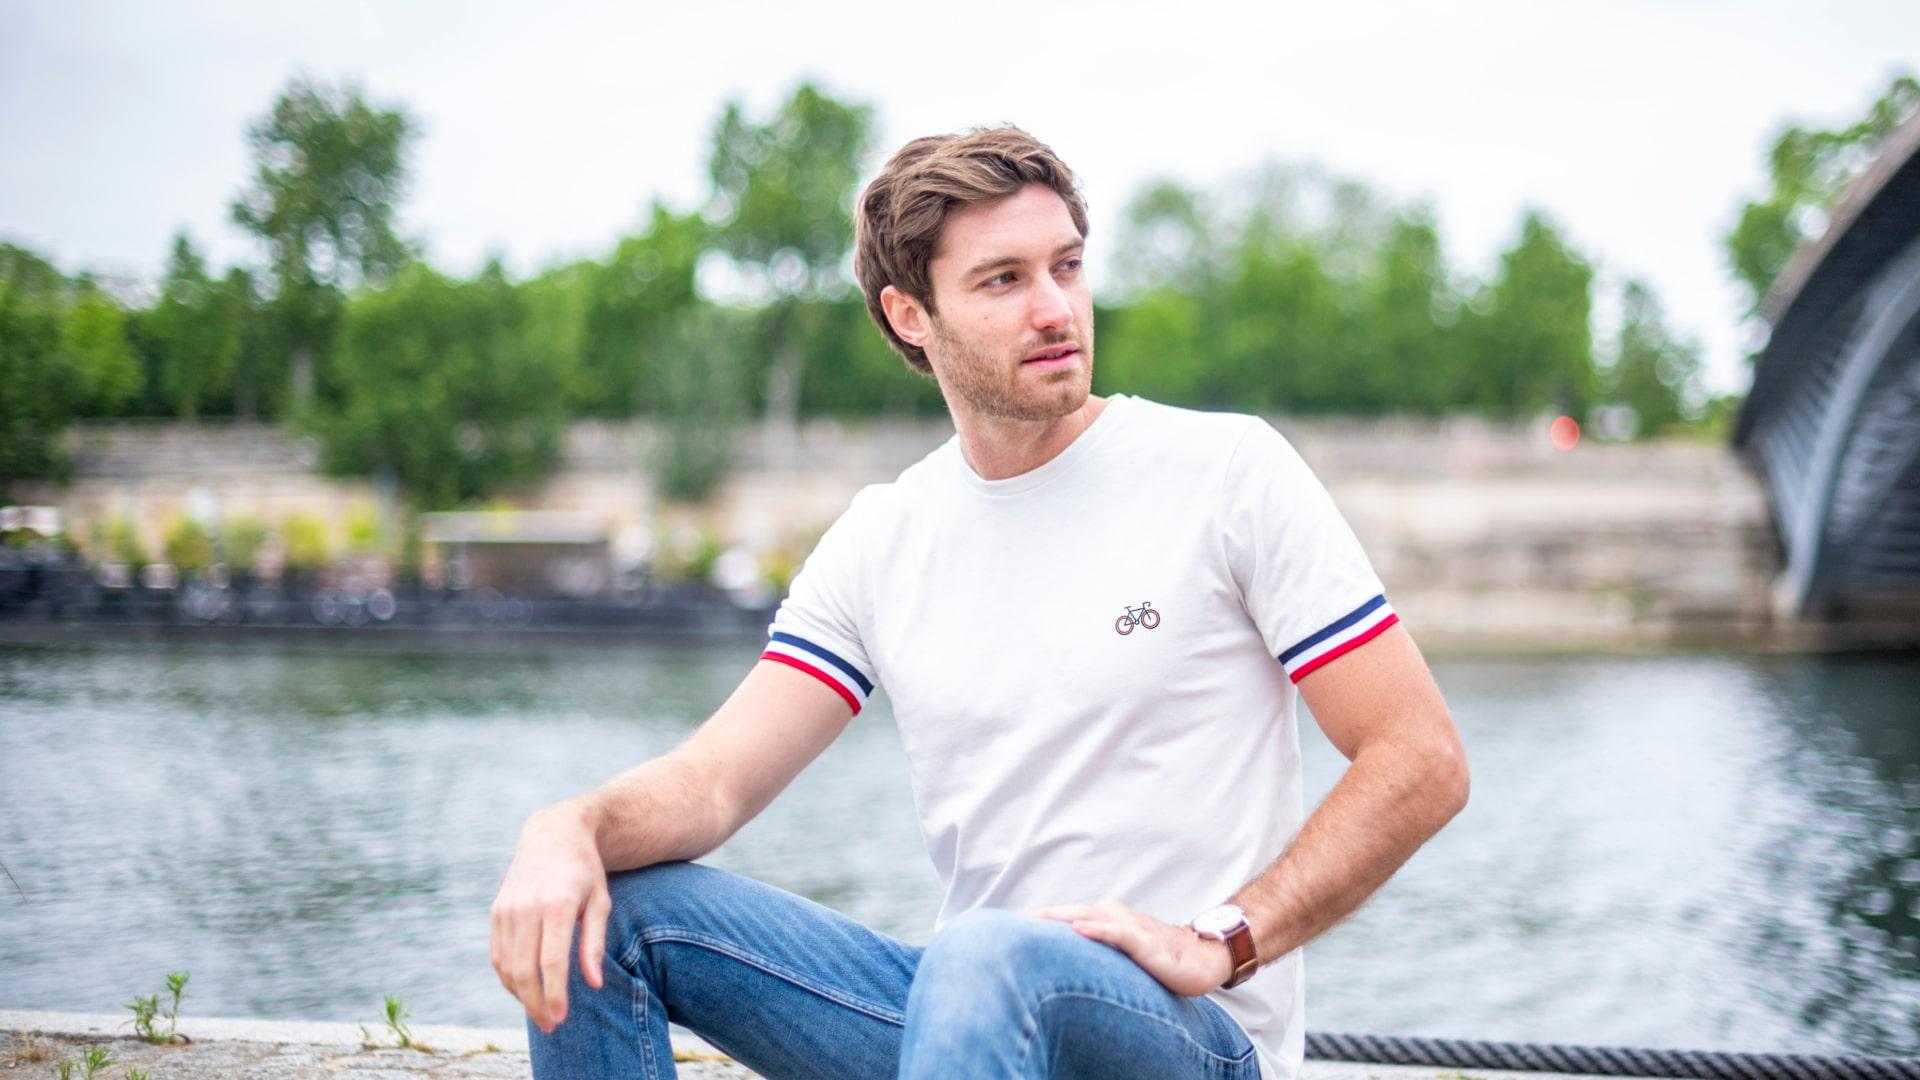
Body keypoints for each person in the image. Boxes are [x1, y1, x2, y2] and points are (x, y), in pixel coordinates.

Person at [491, 126, 1470, 1080]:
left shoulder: (1226, 473)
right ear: (910, 314)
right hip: (967, 1026)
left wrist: (1224, 939)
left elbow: (1419, 758)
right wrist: (563, 828)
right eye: (1003, 280)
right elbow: (712, 786)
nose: (1055, 309)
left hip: (1190, 1037)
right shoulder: (885, 537)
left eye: (1069, 268)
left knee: (986, 954)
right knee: (607, 909)